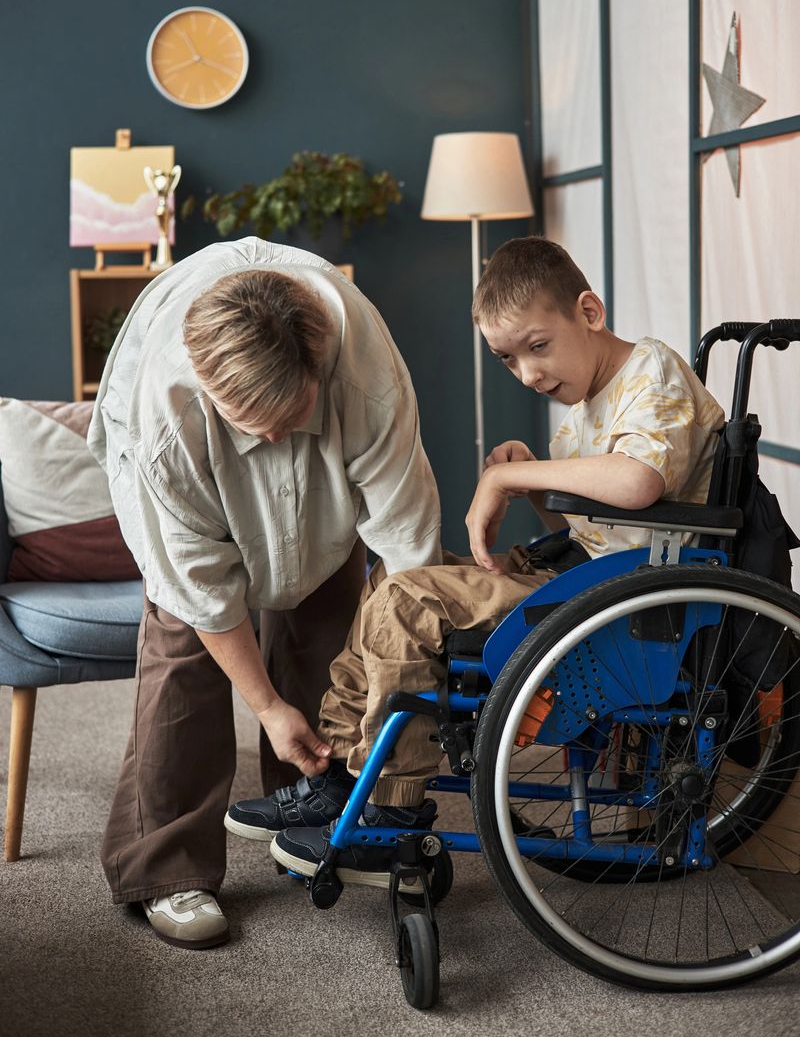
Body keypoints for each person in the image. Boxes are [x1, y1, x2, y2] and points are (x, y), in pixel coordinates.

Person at [224, 235, 725, 887]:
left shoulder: (651, 370)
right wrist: (535, 479)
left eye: (537, 346)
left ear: (590, 312)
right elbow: (592, 522)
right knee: (392, 581)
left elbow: (638, 486)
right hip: (586, 576)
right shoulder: (583, 408)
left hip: (632, 603)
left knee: (409, 603)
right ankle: (344, 775)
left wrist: (510, 484)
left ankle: (393, 813)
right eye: (507, 358)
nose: (528, 373)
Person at [88, 236, 441, 948]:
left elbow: (406, 548)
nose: (276, 436)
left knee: (337, 628)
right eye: (257, 424)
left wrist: (392, 689)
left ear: (319, 362)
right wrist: (267, 706)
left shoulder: (366, 375)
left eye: (289, 416)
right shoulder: (168, 415)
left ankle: (322, 819)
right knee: (184, 651)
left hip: (326, 488)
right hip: (186, 485)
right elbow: (205, 590)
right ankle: (169, 869)